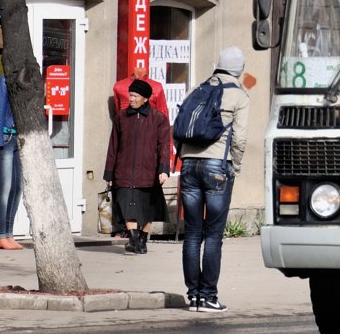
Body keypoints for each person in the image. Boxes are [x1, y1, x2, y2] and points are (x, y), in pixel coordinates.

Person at [179, 46, 250, 313]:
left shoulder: (197, 89)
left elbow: (181, 126)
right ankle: (208, 296)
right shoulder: (239, 96)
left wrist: (185, 157)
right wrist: (236, 166)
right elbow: (240, 140)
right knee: (213, 235)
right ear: (238, 69)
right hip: (217, 166)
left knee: (192, 234)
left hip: (188, 164)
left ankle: (193, 296)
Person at [103, 79, 171, 255]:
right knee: (126, 206)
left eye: (135, 96)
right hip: (124, 171)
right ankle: (133, 238)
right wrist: (109, 173)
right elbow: (113, 147)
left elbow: (164, 146)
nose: (131, 99)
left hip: (149, 171)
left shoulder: (158, 119)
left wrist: (163, 169)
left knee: (149, 209)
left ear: (146, 98)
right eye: (130, 95)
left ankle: (142, 239)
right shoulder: (121, 118)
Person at [0, 75, 24, 250]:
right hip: (5, 138)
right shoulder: (4, 81)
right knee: (5, 186)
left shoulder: (25, 81)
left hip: (18, 138)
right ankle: (0, 235)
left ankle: (9, 234)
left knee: (18, 186)